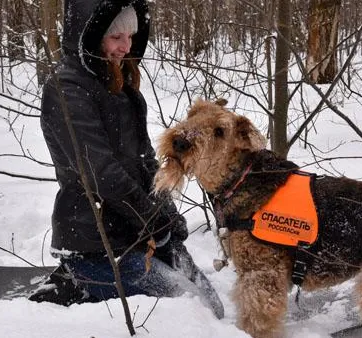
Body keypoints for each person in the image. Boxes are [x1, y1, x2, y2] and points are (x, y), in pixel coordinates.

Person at [31, 0, 224, 319]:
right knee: (188, 309)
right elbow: (102, 173)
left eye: (131, 36)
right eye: (115, 37)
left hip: (135, 234)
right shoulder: (66, 90)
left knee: (211, 307)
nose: (126, 46)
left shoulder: (120, 87)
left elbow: (145, 162)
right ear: (90, 36)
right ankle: (75, 285)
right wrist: (153, 221)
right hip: (95, 244)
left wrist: (166, 218)